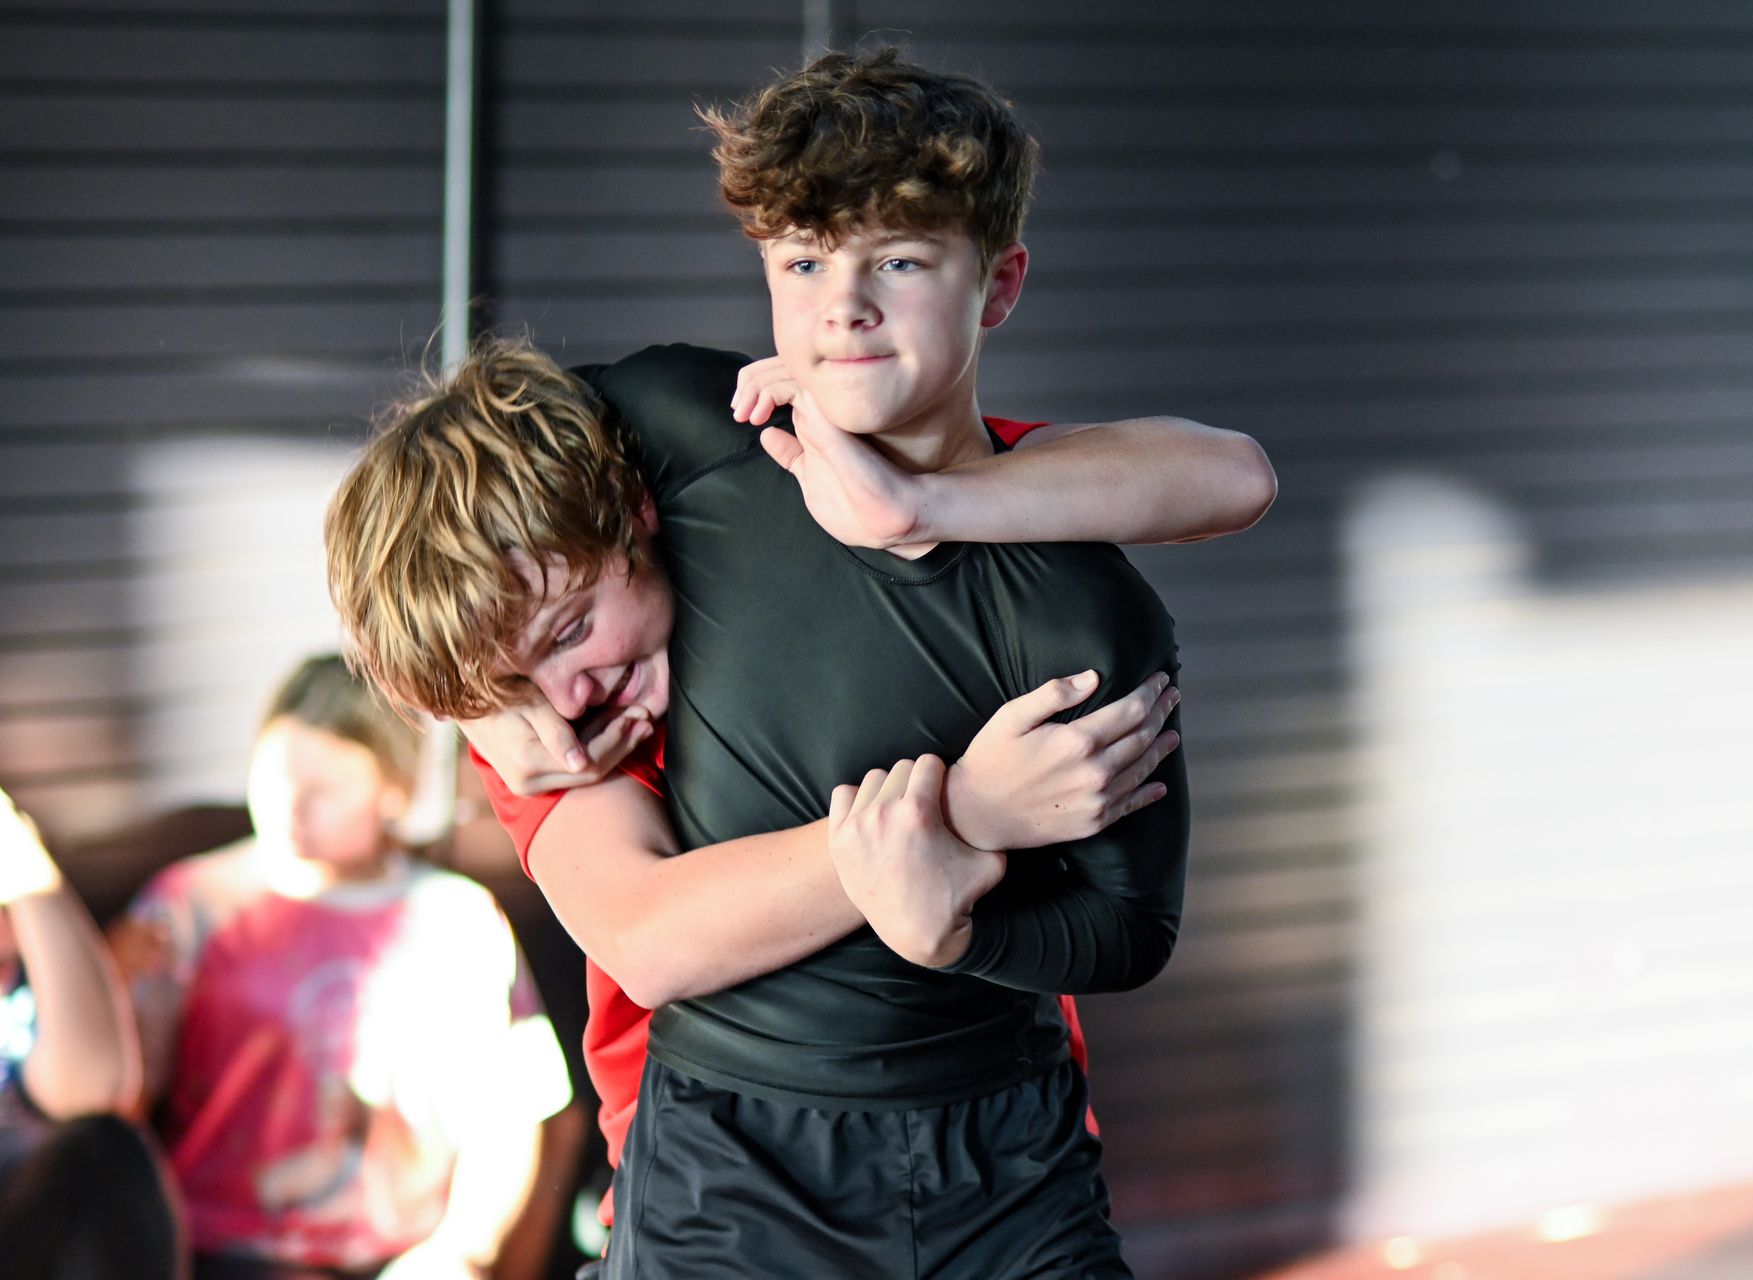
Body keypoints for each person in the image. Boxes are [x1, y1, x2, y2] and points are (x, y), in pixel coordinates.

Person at [326, 47, 1275, 1280]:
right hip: (720, 1156)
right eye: (806, 265)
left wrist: (916, 503)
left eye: (564, 641)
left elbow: (1231, 476)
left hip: (998, 1130)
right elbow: (652, 938)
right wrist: (962, 812)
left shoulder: (713, 454)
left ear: (628, 510)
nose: (563, 706)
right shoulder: (546, 716)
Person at [110, 656, 574, 1280]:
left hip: (406, 1256)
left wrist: (464, 1250)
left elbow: (515, 1114)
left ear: (394, 792)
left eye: (325, 788)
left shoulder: (457, 920)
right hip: (225, 1251)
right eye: (273, 777)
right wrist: (111, 983)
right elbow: (119, 1097)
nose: (291, 808)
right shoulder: (188, 907)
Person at [0, 787, 182, 1280]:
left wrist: (24, 866)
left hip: (40, 1234)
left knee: (108, 1147)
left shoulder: (28, 1000)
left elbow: (96, 1088)